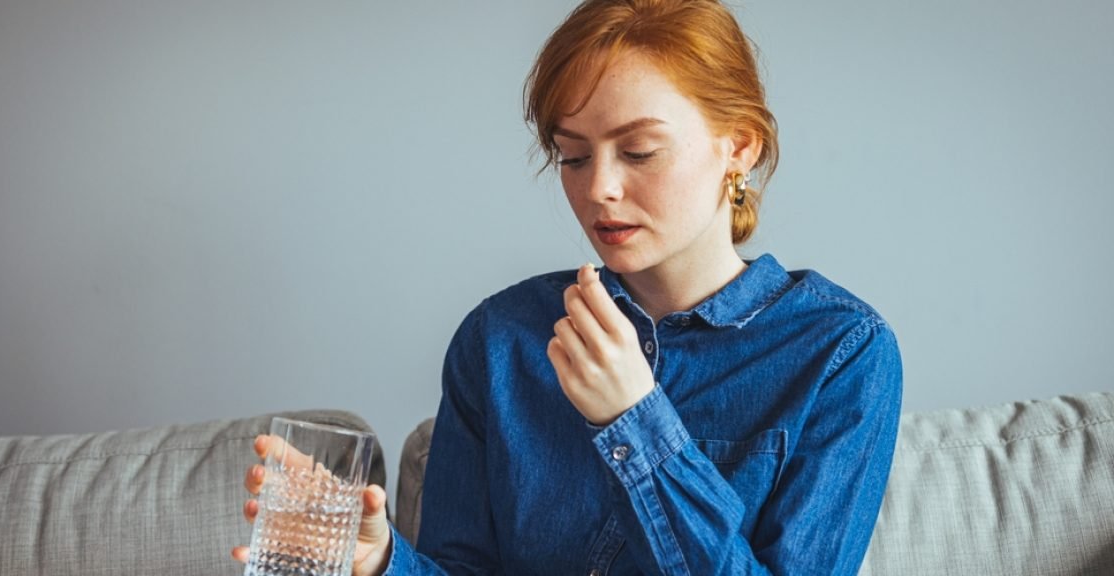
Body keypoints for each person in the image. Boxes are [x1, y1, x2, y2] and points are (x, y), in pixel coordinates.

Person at [234, 0, 903, 574]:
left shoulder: (842, 353)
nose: (598, 188)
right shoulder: (501, 339)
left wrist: (635, 421)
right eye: (574, 156)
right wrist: (382, 560)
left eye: (638, 152)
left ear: (740, 147)